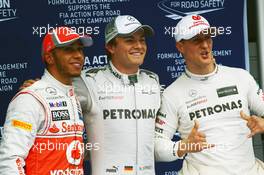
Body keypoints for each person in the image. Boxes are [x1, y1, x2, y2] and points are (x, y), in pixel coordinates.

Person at [154, 14, 264, 175]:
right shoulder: (172, 94)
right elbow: (156, 147)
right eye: (196, 40)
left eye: (208, 38)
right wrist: (183, 146)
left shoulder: (241, 77)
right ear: (180, 47)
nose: (205, 45)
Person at [73, 15, 161, 175]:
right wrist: (38, 87)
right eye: (129, 40)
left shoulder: (152, 81)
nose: (139, 46)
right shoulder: (88, 80)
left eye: (142, 40)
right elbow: (52, 96)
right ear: (111, 47)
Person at [0, 26, 93, 175]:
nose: (78, 55)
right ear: (49, 57)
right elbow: (9, 159)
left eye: (80, 49)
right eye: (69, 50)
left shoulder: (73, 96)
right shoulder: (30, 98)